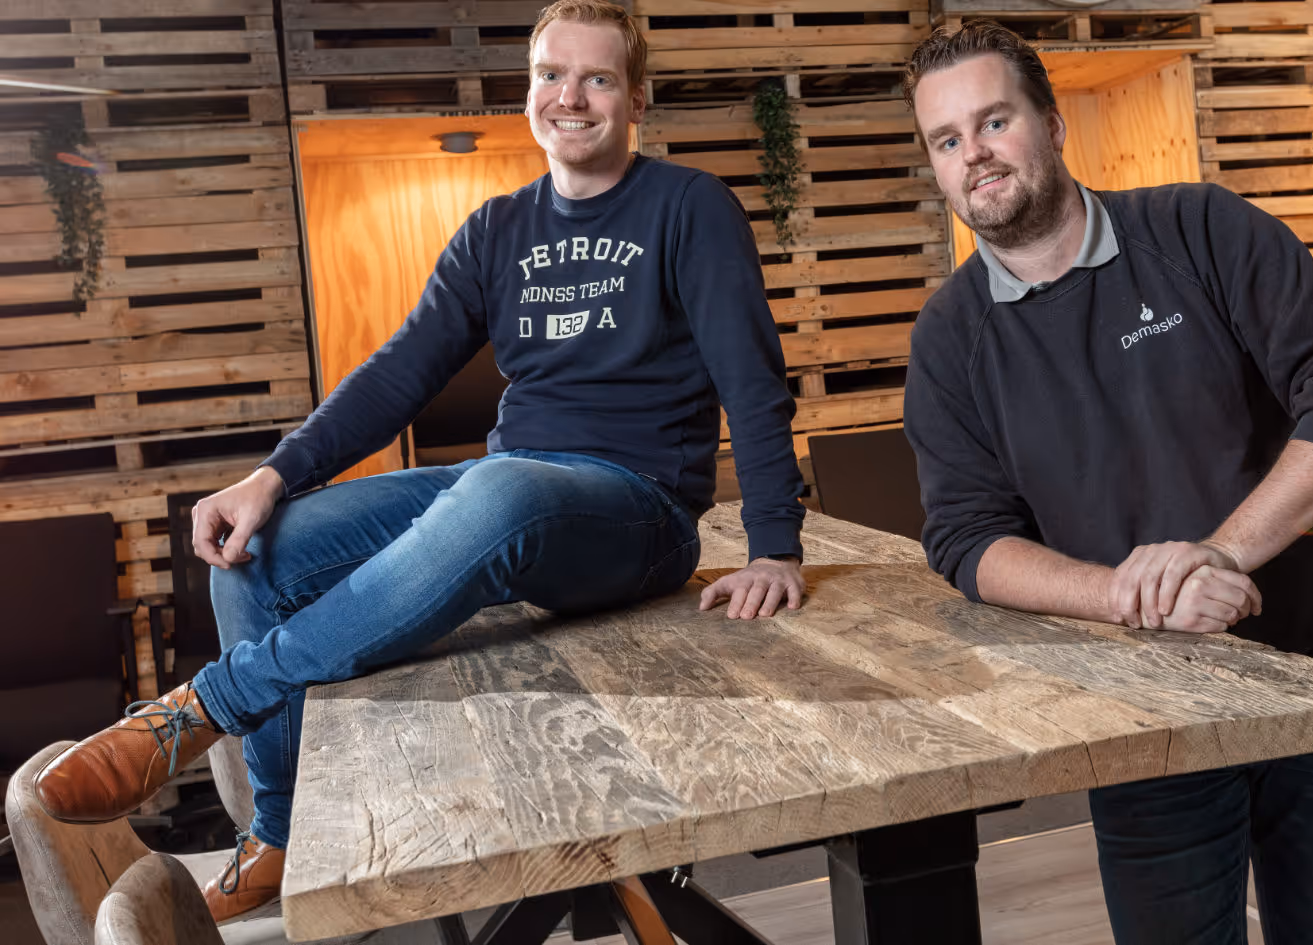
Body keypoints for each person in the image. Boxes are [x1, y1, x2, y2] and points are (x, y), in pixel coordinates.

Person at [34, 0, 807, 921]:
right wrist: (271, 476)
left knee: (501, 488)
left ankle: (204, 707)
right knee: (260, 550)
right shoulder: (497, 230)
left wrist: (775, 544)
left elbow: (752, 378)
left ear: (635, 98)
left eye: (598, 78)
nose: (570, 96)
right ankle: (281, 835)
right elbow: (397, 373)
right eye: (551, 75)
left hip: (638, 511)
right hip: (507, 487)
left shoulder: (689, 206)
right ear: (529, 91)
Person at [901, 21, 1313, 945]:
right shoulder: (948, 341)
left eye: (994, 121)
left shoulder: (1200, 229)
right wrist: (1129, 595)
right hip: (1142, 714)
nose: (974, 153)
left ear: (1053, 125)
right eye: (947, 139)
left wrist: (1222, 553)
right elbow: (968, 540)